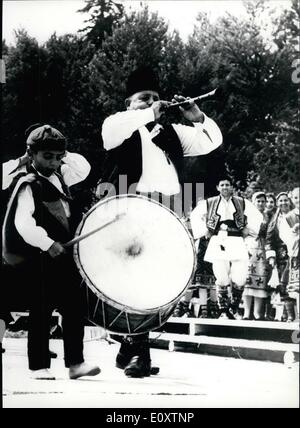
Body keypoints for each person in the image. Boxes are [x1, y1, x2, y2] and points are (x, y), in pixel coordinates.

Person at [101, 66, 223, 377]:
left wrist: (196, 117)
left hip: (167, 212)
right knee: (141, 280)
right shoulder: (118, 125)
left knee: (165, 282)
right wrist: (146, 113)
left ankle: (130, 345)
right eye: (144, 99)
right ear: (129, 103)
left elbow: (209, 142)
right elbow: (111, 133)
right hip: (131, 208)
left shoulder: (172, 133)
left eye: (156, 98)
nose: (153, 102)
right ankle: (140, 355)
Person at [2, 124, 100, 380]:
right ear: (32, 154)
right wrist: (48, 244)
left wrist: (63, 152)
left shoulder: (61, 175)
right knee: (41, 311)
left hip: (63, 257)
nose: (54, 162)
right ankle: (39, 366)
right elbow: (23, 224)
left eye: (58, 157)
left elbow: (84, 168)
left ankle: (76, 363)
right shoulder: (28, 182)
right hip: (40, 257)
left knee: (74, 308)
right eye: (47, 156)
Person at [190, 177, 263, 319]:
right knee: (221, 276)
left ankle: (234, 308)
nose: (225, 187)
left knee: (240, 276)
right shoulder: (209, 203)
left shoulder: (241, 202)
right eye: (222, 185)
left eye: (227, 185)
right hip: (218, 240)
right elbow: (195, 215)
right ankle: (223, 310)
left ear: (231, 187)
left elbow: (257, 216)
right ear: (218, 187)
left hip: (236, 239)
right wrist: (205, 230)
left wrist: (249, 229)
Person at [242, 192, 272, 320]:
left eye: (262, 201)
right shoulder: (247, 216)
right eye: (258, 201)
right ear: (253, 202)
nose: (260, 203)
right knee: (247, 280)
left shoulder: (268, 217)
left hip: (263, 249)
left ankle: (257, 314)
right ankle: (246, 313)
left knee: (261, 280)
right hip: (249, 246)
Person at [265, 191, 292, 321]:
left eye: (286, 200)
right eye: (280, 201)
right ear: (277, 203)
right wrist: (271, 256)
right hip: (281, 255)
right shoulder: (274, 220)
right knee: (282, 283)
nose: (283, 203)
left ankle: (293, 314)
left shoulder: (295, 216)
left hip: (296, 252)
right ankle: (286, 314)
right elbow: (269, 239)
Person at [275, 187, 299, 321]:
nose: (298, 200)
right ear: (292, 199)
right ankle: (294, 316)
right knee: (294, 286)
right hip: (296, 254)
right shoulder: (289, 217)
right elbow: (285, 236)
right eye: (295, 197)